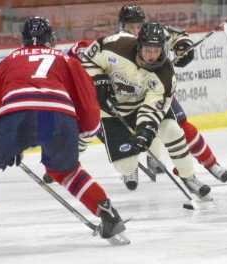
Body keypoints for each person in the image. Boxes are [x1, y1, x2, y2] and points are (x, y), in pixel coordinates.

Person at [0, 17, 129, 257]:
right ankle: (108, 214)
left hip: (18, 113)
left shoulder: (8, 60)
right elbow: (87, 103)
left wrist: (6, 146)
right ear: (51, 40)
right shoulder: (66, 60)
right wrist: (86, 131)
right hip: (53, 116)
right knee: (64, 170)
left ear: (23, 41)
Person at [82, 20, 212, 201]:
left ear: (163, 48)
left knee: (172, 130)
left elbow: (151, 109)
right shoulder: (115, 45)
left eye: (157, 50)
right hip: (112, 111)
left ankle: (189, 177)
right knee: (126, 166)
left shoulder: (165, 76)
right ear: (139, 45)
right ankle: (131, 165)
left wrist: (145, 131)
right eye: (148, 50)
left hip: (142, 106)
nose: (152, 56)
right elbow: (86, 58)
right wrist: (97, 79)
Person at [114, 3, 227, 189]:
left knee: (181, 125)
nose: (136, 30)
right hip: (128, 98)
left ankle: (210, 163)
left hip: (158, 91)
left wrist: (183, 47)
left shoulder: (150, 34)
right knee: (130, 131)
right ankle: (131, 166)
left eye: (138, 25)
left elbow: (178, 36)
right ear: (122, 26)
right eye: (131, 26)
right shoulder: (116, 43)